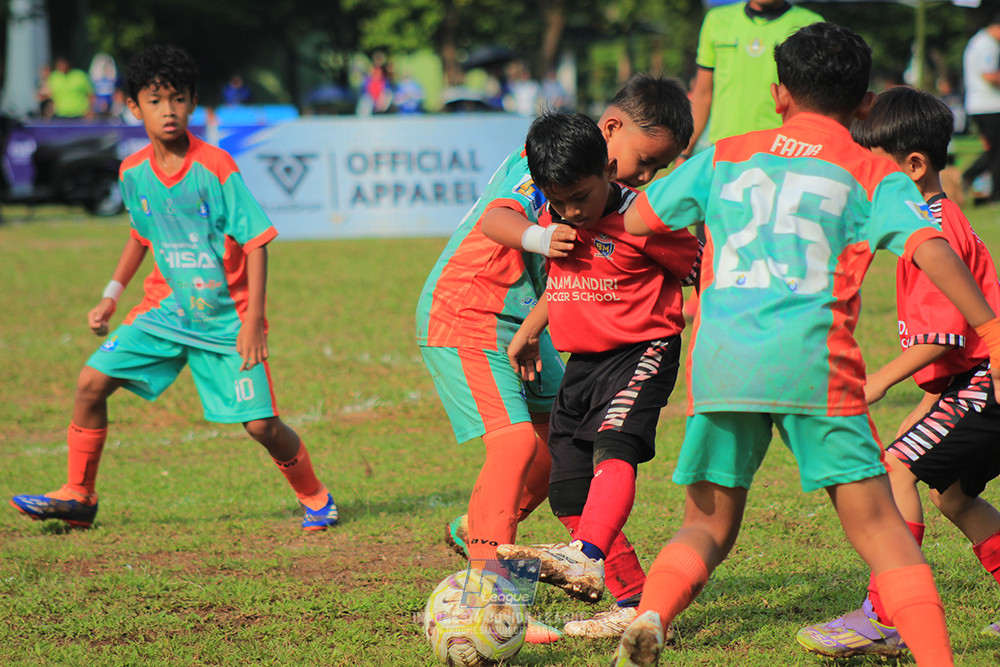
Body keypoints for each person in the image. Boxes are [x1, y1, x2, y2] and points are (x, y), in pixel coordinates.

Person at [604, 23, 1000, 667]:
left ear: (779, 93)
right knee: (884, 535)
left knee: (705, 524)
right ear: (866, 104)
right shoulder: (873, 169)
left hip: (725, 360)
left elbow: (640, 221)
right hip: (812, 362)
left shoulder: (727, 153)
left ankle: (651, 615)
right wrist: (991, 328)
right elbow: (930, 247)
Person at [9, 44, 339, 533]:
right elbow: (141, 234)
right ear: (134, 106)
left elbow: (256, 243)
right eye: (156, 99)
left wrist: (252, 323)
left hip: (227, 320)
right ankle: (79, 494)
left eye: (179, 99)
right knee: (90, 384)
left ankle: (316, 496)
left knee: (262, 426)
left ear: (192, 104)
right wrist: (111, 293)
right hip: (164, 312)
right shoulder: (132, 172)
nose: (169, 110)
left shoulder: (216, 167)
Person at [415, 73, 690, 641]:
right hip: (468, 311)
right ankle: (491, 599)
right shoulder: (551, 157)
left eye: (655, 169)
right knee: (515, 446)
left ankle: (615, 588)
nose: (643, 176)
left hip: (534, 322)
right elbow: (502, 219)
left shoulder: (610, 194)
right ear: (610, 129)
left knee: (554, 464)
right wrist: (539, 240)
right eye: (643, 160)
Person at [795, 86, 1000, 657]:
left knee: (897, 469)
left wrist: (877, 381)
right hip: (976, 379)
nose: (862, 183)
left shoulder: (931, 232)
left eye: (871, 170)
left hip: (988, 377)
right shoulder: (934, 219)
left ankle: (884, 616)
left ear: (912, 166)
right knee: (953, 496)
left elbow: (945, 336)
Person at [497, 110, 700, 637]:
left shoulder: (646, 219)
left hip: (641, 351)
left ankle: (585, 555)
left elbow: (704, 268)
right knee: (568, 491)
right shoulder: (554, 217)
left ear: (608, 170)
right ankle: (633, 602)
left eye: (580, 197)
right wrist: (528, 329)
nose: (569, 211)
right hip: (581, 363)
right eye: (555, 199)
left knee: (615, 444)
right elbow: (568, 282)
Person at [681, 0, 822, 163]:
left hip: (781, 153)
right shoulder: (717, 20)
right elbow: (703, 94)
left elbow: (816, 102)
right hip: (724, 152)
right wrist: (685, 152)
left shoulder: (810, 24)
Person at [962, 13, 1000, 203]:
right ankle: (969, 178)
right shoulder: (988, 45)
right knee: (996, 151)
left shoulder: (978, 41)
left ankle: (968, 178)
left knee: (993, 150)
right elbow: (989, 75)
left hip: (979, 105)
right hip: (989, 105)